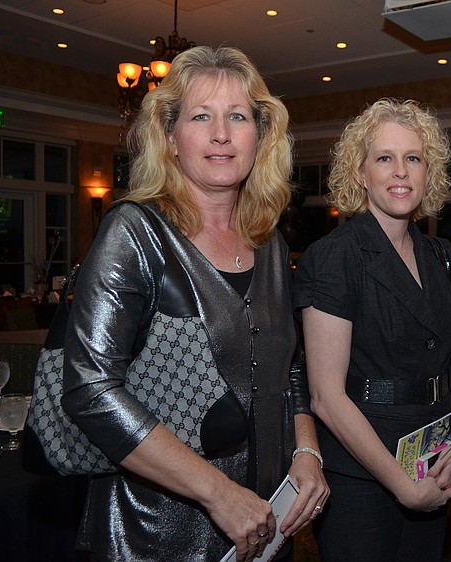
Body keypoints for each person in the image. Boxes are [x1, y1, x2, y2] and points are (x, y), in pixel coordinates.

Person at [61, 46, 328, 562]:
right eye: (201, 116)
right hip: (155, 532)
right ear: (170, 138)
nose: (221, 134)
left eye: (238, 117)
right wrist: (218, 493)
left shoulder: (268, 241)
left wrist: (308, 450)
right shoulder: (134, 232)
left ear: (261, 135)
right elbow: (90, 389)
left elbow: (287, 366)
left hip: (265, 524)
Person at [292, 98, 451, 562]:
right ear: (361, 173)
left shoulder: (441, 255)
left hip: (435, 460)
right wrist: (403, 486)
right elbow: (326, 397)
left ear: (428, 171)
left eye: (412, 158)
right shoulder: (334, 256)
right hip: (363, 474)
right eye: (385, 158)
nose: (400, 172)